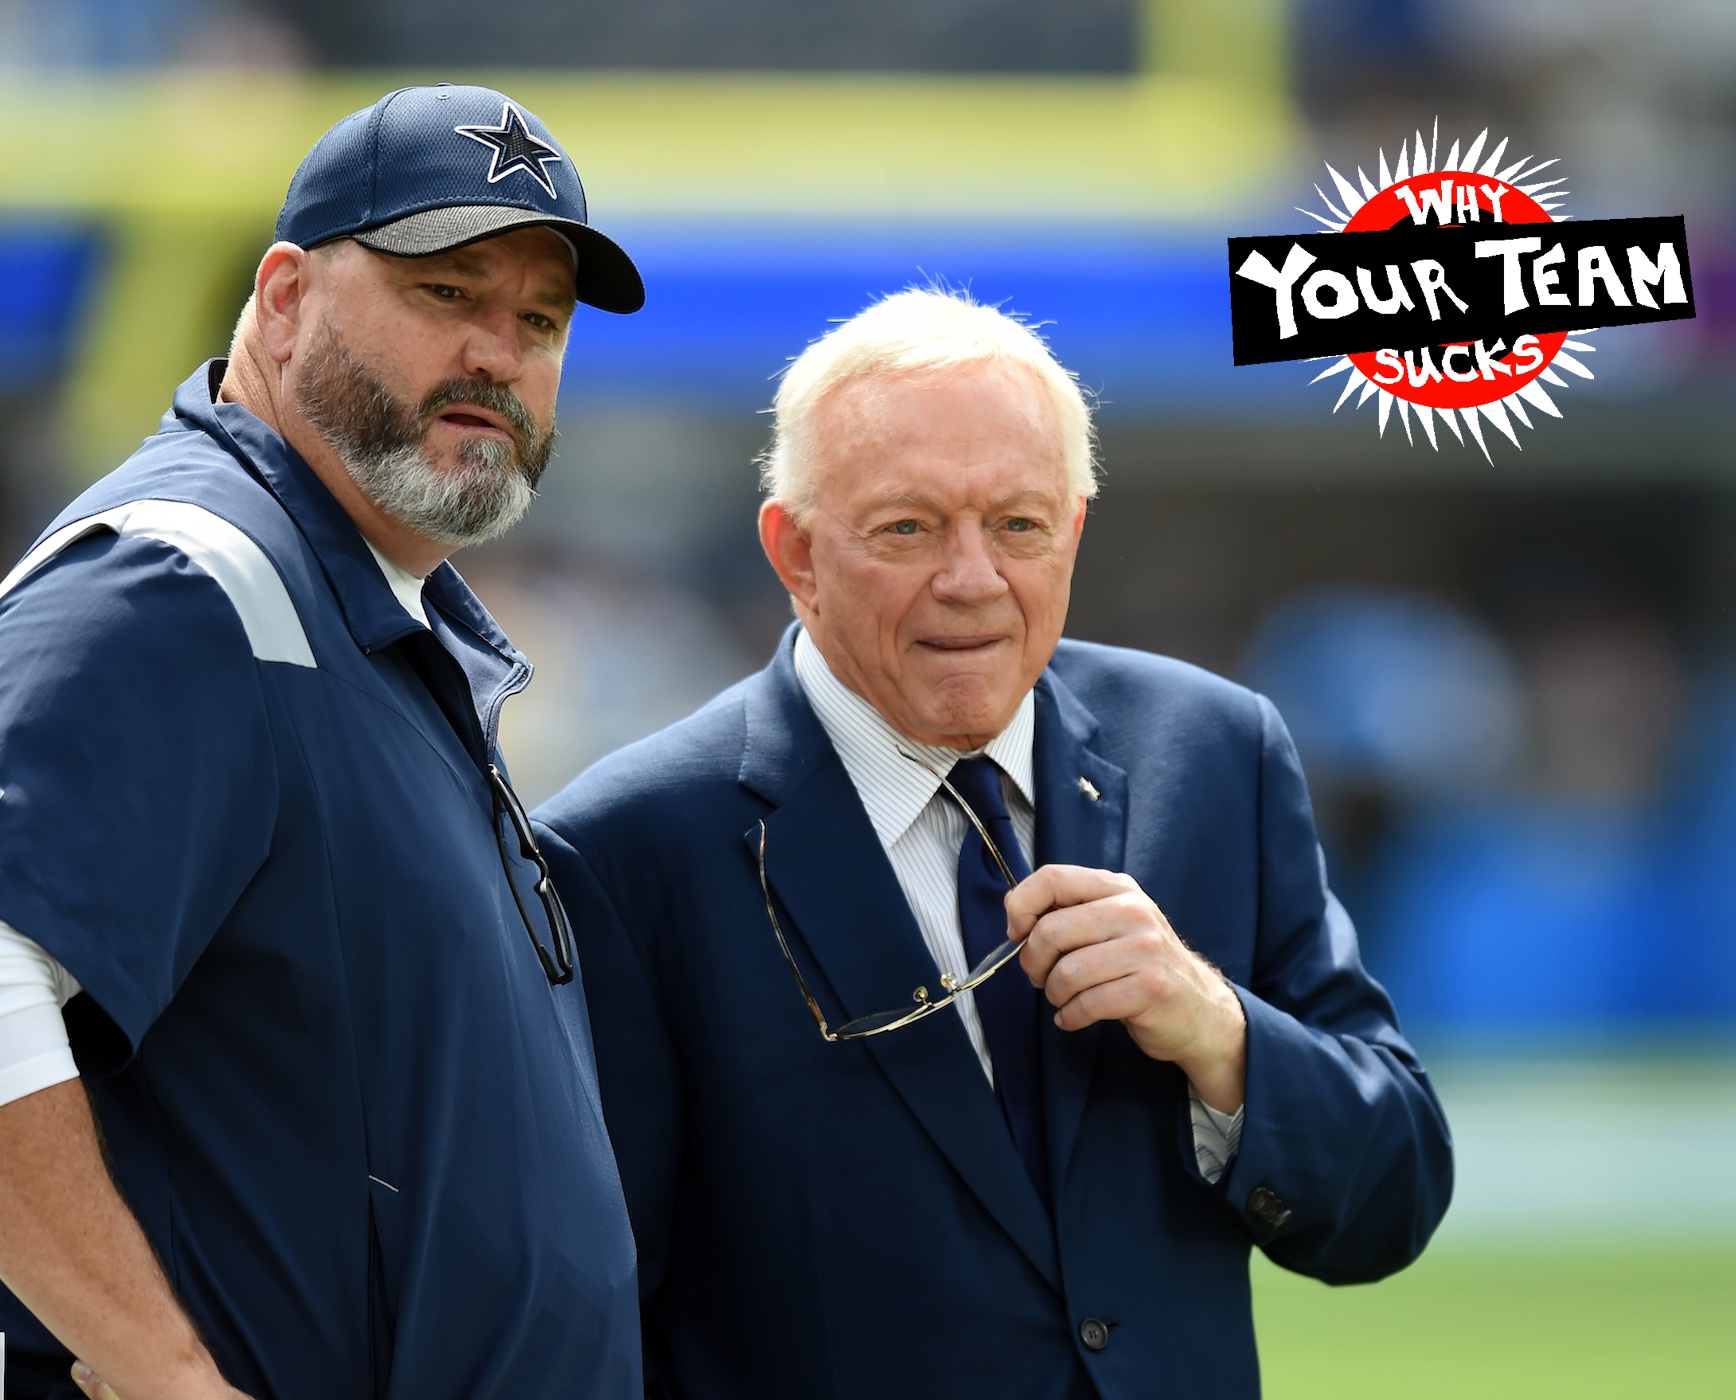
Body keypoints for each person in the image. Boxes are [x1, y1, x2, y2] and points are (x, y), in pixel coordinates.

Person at [0, 84, 647, 1400]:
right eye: (448, 293)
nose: (499, 350)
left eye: (538, 321)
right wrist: (162, 1371)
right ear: (284, 298)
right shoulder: (191, 572)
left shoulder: (351, 607)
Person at [534, 288, 1454, 1399]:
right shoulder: (622, 850)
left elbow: (1391, 1193)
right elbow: (583, 1322)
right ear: (795, 551)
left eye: (1015, 524)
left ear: (1069, 531)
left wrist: (1218, 1032)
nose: (970, 579)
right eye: (907, 528)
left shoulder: (1213, 750)